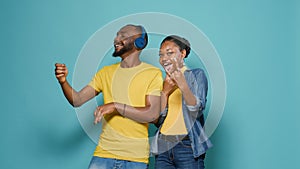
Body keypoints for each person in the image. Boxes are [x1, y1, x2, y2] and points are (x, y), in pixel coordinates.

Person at [55, 24, 163, 169]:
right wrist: (63, 81)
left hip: (135, 158)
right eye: (117, 35)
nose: (116, 39)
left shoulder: (152, 73)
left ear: (140, 43)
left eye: (123, 36)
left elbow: (152, 115)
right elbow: (77, 100)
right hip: (104, 154)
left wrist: (116, 106)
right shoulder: (105, 72)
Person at [152, 35, 212, 169]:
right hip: (163, 146)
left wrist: (182, 84)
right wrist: (165, 91)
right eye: (161, 55)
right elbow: (158, 120)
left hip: (187, 146)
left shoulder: (196, 75)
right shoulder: (164, 82)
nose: (164, 58)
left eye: (170, 53)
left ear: (183, 53)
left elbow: (197, 109)